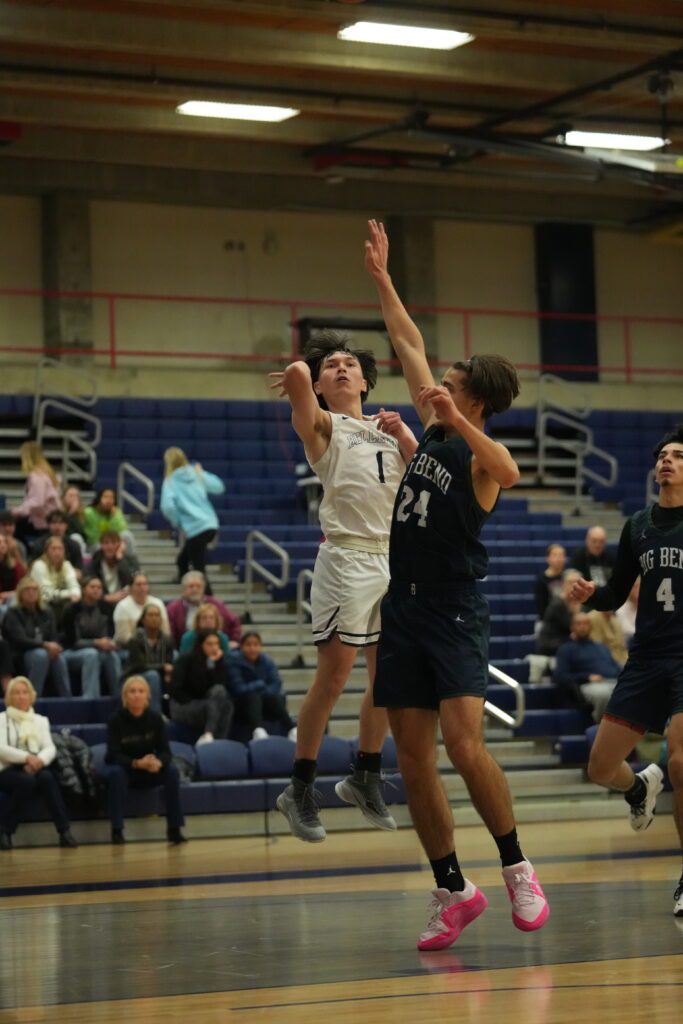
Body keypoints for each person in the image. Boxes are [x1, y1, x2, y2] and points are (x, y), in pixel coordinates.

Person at [364, 218, 548, 949]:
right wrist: (381, 277)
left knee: (466, 747)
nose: (436, 381)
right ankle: (452, 887)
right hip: (402, 609)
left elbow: (506, 470)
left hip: (452, 610)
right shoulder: (435, 431)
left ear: (475, 398)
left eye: (451, 383)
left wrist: (447, 422)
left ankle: (515, 868)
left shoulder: (475, 452)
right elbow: (407, 339)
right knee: (412, 761)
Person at [269, 330, 416, 843]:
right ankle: (300, 787)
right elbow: (295, 382)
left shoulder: (387, 428)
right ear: (321, 383)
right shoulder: (324, 425)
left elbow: (423, 480)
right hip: (347, 556)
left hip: (390, 558)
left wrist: (406, 436)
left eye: (350, 363)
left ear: (367, 380)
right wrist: (300, 373)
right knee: (334, 676)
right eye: (330, 365)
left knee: (390, 679)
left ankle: (365, 775)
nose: (341, 368)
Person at [569, 423, 683, 918]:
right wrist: (587, 595)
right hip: (645, 657)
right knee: (599, 767)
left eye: (678, 455)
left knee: (681, 763)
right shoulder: (637, 524)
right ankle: (640, 787)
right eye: (663, 455)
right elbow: (616, 593)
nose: (667, 461)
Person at [101, 675, 186, 845]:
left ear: (147, 695)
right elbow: (112, 755)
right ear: (125, 696)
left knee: (172, 771)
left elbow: (165, 752)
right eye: (132, 691)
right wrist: (136, 763)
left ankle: (174, 829)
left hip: (149, 768)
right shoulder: (115, 720)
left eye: (141, 691)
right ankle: (117, 830)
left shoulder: (155, 719)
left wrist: (157, 762)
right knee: (116, 774)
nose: (137, 695)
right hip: (126, 769)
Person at [0, 675, 78, 849]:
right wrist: (26, 757)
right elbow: (1, 748)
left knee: (48, 778)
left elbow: (50, 748)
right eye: (16, 693)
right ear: (9, 697)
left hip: (36, 766)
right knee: (26, 780)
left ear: (31, 695)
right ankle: (6, 830)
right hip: (7, 769)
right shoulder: (2, 719)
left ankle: (64, 831)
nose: (21, 696)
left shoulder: (41, 720)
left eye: (24, 692)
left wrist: (39, 761)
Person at [160, 447, 225, 593]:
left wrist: (178, 521)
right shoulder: (196, 473)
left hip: (195, 528)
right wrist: (202, 473)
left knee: (199, 568)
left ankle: (209, 600)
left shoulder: (170, 481)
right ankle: (187, 592)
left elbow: (167, 507)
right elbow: (219, 487)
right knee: (182, 560)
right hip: (210, 524)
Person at [3, 576, 71, 697]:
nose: (31, 592)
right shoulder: (13, 612)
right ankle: (34, 700)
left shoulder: (46, 612)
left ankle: (67, 699)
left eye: (34, 589)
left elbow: (54, 635)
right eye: (27, 589)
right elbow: (19, 639)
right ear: (20, 593)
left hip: (44, 650)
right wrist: (44, 645)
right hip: (21, 654)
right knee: (41, 655)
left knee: (58, 657)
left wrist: (55, 646)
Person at [227, 632, 296, 741]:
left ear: (260, 646)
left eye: (256, 645)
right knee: (253, 697)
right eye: (248, 645)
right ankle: (258, 731)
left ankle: (292, 729)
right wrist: (258, 684)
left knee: (273, 698)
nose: (252, 648)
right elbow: (237, 688)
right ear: (241, 647)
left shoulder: (267, 661)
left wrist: (261, 692)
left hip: (264, 702)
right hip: (240, 705)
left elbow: (276, 684)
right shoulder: (234, 661)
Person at [169, 630, 234, 745]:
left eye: (216, 644)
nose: (214, 647)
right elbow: (177, 689)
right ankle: (209, 737)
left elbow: (220, 687)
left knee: (227, 705)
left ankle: (217, 741)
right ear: (200, 645)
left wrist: (212, 664)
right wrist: (199, 703)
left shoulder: (217, 662)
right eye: (209, 644)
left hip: (207, 704)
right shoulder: (185, 659)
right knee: (212, 705)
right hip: (183, 705)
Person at [553, 612, 621, 721]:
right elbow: (561, 676)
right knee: (603, 694)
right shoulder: (566, 649)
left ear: (591, 626)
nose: (582, 627)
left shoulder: (601, 646)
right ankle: (601, 728)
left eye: (585, 624)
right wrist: (587, 677)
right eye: (578, 624)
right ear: (572, 627)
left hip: (613, 681)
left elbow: (616, 667)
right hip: (590, 685)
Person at [60, 576, 119, 698]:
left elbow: (108, 635)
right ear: (83, 590)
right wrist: (96, 643)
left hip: (96, 650)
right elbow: (73, 642)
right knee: (91, 654)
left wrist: (109, 643)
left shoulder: (106, 608)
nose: (96, 590)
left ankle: (119, 697)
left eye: (99, 587)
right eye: (92, 587)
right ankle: (91, 698)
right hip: (70, 652)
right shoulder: (71, 609)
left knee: (111, 656)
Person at [166, 571, 241, 650]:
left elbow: (234, 622)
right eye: (191, 586)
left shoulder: (216, 604)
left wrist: (234, 640)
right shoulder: (173, 608)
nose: (195, 589)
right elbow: (169, 633)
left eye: (198, 586)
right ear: (183, 589)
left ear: (204, 589)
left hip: (216, 648)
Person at [123, 604, 175, 713]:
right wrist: (163, 668)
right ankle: (156, 714)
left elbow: (169, 662)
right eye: (150, 615)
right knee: (153, 675)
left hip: (159, 674)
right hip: (135, 675)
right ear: (143, 620)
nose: (154, 618)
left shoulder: (167, 639)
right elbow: (140, 666)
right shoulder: (136, 639)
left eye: (157, 615)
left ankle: (174, 713)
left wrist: (168, 673)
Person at [11, 442, 60, 549]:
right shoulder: (46, 474)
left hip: (43, 521)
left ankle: (26, 553)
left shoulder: (37, 476)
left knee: (12, 527)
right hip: (45, 518)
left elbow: (37, 502)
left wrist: (18, 511)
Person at [30, 536, 81, 625]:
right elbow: (47, 594)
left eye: (60, 549)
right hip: (40, 602)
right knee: (47, 608)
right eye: (53, 549)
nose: (57, 552)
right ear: (46, 551)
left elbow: (75, 587)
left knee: (74, 606)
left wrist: (75, 594)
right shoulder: (39, 565)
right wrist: (70, 594)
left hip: (59, 601)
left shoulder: (66, 565)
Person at [113, 572, 170, 646]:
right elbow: (124, 637)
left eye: (145, 584)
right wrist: (147, 646)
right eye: (138, 584)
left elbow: (166, 631)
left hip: (157, 646)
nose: (142, 587)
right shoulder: (122, 606)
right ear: (130, 587)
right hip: (129, 648)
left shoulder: (158, 603)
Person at [535, 569, 583, 656]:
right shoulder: (557, 604)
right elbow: (574, 627)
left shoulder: (580, 603)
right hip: (551, 643)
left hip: (566, 641)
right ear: (563, 585)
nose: (574, 586)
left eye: (577, 582)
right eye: (570, 582)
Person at [82, 487, 136, 557]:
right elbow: (92, 537)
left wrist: (113, 516)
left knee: (127, 535)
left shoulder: (116, 512)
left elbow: (122, 531)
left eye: (111, 498)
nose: (109, 500)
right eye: (105, 497)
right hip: (94, 545)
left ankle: (131, 563)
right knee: (102, 546)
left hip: (113, 544)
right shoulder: (88, 512)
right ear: (99, 498)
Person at [88, 530, 139, 604]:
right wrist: (106, 598)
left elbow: (130, 581)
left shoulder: (130, 561)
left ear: (119, 544)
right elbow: (88, 588)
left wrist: (120, 558)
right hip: (101, 603)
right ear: (101, 545)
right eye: (106, 543)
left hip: (125, 602)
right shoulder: (95, 563)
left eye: (113, 542)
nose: (110, 546)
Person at [31, 510, 84, 577]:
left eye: (61, 523)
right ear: (48, 525)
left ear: (66, 525)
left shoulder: (74, 545)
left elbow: (78, 569)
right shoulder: (39, 544)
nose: (57, 526)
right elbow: (32, 566)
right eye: (54, 522)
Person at [533, 544, 566, 621]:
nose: (558, 559)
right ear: (547, 558)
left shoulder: (568, 577)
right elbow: (541, 606)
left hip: (566, 620)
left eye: (561, 555)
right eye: (555, 555)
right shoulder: (541, 580)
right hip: (548, 621)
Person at [0, 530, 26, 610]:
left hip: (12, 597)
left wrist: (15, 551)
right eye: (0, 542)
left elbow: (24, 584)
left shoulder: (14, 563)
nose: (3, 545)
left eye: (4, 542)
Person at [616, 577, 640, 646]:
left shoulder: (646, 606)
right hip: (628, 644)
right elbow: (626, 629)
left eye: (640, 586)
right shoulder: (621, 608)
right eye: (635, 587)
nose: (638, 590)